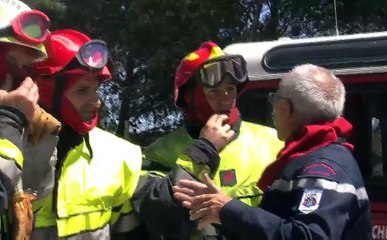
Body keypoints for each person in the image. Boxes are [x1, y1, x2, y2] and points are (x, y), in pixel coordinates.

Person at [173, 64, 373, 240]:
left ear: (285, 109)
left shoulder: (321, 167)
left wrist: (229, 209)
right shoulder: (313, 155)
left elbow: (308, 236)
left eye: (275, 99)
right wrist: (223, 213)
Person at [131, 41, 283, 239]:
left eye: (231, 88)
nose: (226, 99)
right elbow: (160, 214)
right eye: (214, 91)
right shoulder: (159, 152)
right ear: (189, 97)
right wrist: (205, 149)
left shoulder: (273, 142)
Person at [30, 29, 143, 239]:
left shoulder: (120, 155)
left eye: (96, 89)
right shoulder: (9, 152)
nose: (97, 101)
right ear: (46, 90)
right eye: (82, 90)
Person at [0, 1, 59, 238]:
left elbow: (37, 200)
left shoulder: (26, 127)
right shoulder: (9, 120)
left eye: (26, 69)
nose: (19, 81)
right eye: (12, 63)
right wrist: (8, 118)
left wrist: (37, 150)